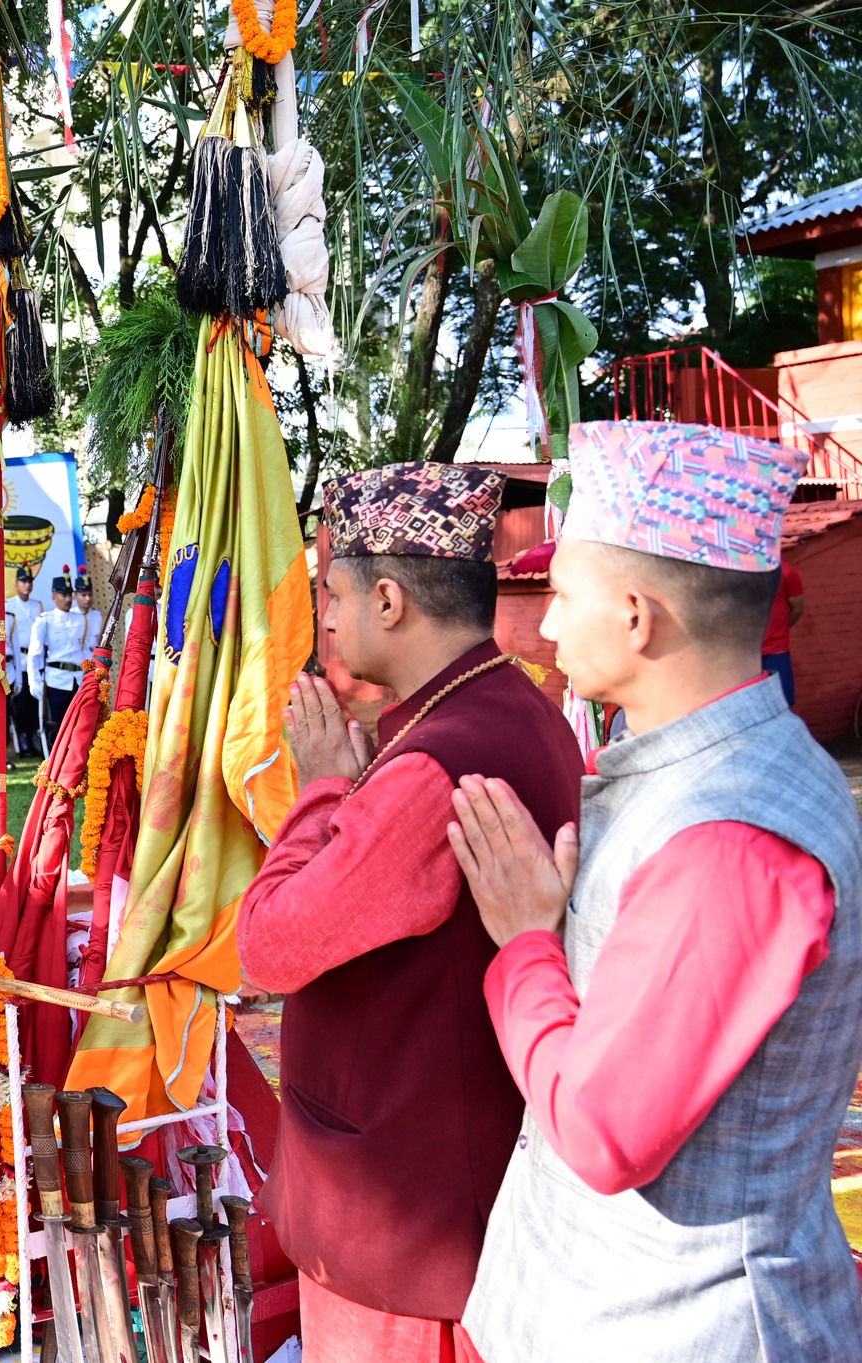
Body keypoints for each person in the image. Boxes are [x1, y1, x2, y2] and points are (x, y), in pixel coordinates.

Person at [445, 422, 862, 1361]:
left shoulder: (732, 832)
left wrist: (523, 944)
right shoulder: (716, 775)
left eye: (559, 597)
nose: (545, 627)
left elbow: (602, 1129)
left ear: (637, 614)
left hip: (678, 1322)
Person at [235, 464, 581, 1363]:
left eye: (334, 593)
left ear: (389, 598)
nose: (330, 620)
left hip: (405, 1241)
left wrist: (317, 791)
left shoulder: (434, 764)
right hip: (469, 1191)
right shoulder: (522, 710)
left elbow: (268, 949)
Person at [26, 573, 91, 747]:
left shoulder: (82, 619)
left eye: (70, 594)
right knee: (59, 725)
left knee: (80, 724)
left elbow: (84, 649)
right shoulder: (45, 620)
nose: (68, 599)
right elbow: (35, 653)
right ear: (54, 596)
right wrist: (34, 681)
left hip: (78, 678)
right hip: (57, 680)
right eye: (63, 594)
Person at [3, 566, 42, 759]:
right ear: (16, 583)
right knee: (20, 704)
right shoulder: (9, 605)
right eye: (23, 581)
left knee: (35, 703)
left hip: (33, 659)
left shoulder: (38, 606)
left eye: (29, 581)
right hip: (18, 659)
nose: (27, 585)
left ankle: (35, 737)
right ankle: (23, 738)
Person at [759, 551, 805, 706]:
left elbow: (797, 609)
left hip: (776, 652)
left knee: (782, 703)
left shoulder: (787, 572)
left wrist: (778, 631)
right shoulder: (740, 573)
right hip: (744, 653)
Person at [72, 566, 105, 646]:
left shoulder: (98, 616)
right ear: (75, 597)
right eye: (84, 595)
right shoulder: (71, 615)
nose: (88, 599)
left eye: (90, 595)